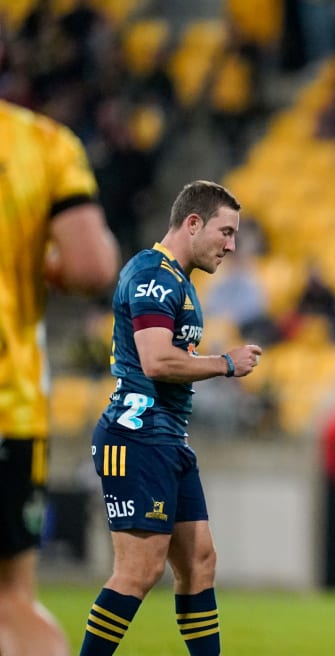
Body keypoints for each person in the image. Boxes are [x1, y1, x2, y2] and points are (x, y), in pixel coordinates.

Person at [77, 181, 262, 656]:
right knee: (138, 571)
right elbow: (157, 361)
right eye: (225, 232)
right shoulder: (152, 275)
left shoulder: (179, 281)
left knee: (199, 562)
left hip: (167, 438)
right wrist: (225, 363)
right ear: (193, 223)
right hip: (137, 435)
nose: (231, 245)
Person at [0, 21, 121, 656]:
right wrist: (36, 264)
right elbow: (93, 267)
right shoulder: (38, 144)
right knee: (9, 598)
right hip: (6, 401)